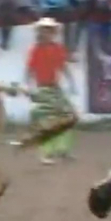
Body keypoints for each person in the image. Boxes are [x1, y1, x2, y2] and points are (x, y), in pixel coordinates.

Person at [21, 17, 77, 165]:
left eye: (49, 31)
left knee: (66, 117)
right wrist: (27, 85)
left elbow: (62, 66)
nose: (47, 33)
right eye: (44, 30)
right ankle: (47, 153)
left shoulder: (56, 48)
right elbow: (30, 69)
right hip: (43, 87)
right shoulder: (36, 50)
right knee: (48, 120)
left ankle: (62, 150)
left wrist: (71, 82)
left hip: (54, 87)